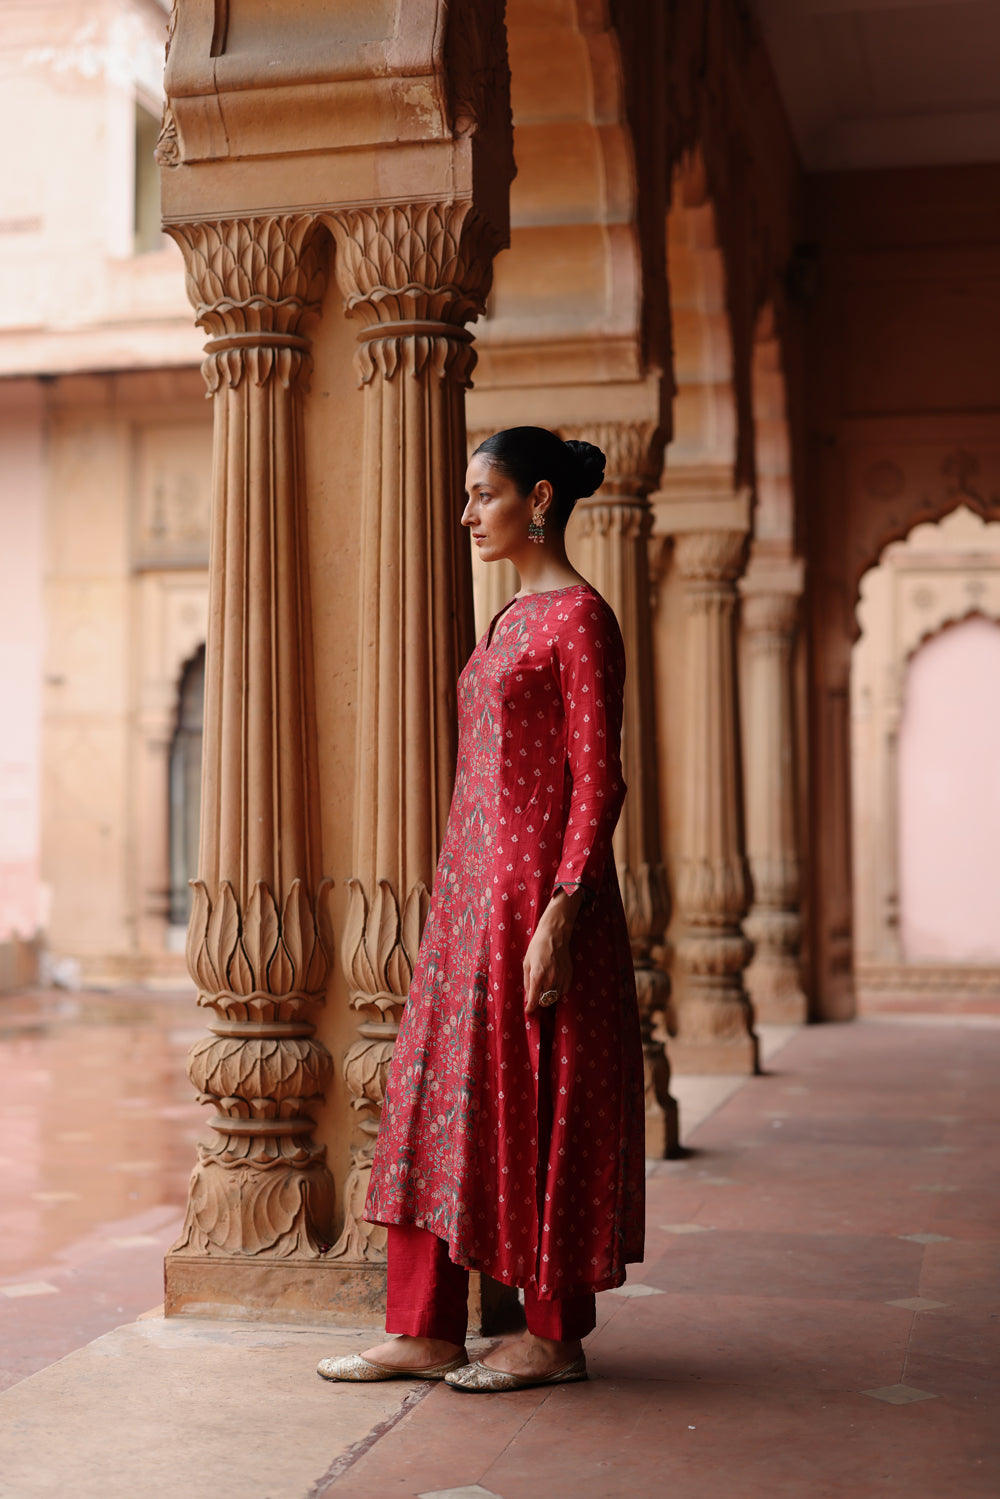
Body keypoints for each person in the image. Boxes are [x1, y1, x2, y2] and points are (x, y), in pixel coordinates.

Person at [318, 426, 645, 1393]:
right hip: (470, 899)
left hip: (540, 903)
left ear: (538, 499)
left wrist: (562, 911)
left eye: (481, 495)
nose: (465, 514)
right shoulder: (507, 622)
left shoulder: (579, 619)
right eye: (465, 498)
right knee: (436, 1095)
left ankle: (552, 1335)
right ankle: (421, 1326)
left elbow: (600, 781)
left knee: (544, 1101)